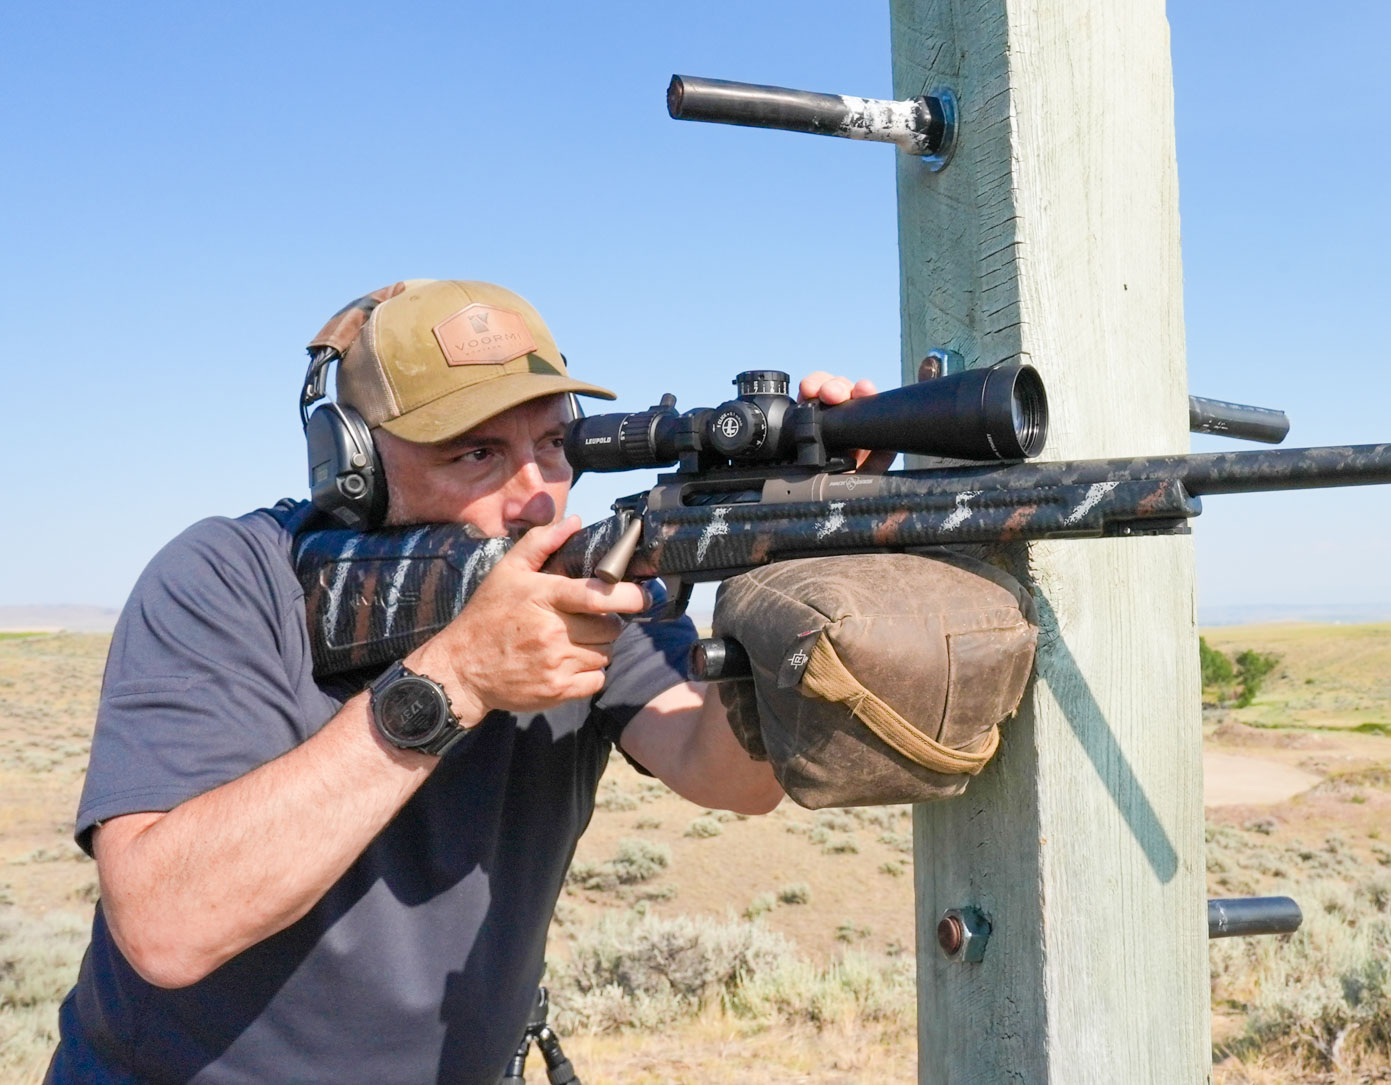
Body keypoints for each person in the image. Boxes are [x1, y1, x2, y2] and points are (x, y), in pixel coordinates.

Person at [46, 279, 878, 1083]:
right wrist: (455, 679)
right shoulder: (228, 577)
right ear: (354, 468)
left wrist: (789, 565)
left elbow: (725, 774)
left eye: (555, 445)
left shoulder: (583, 584)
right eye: (477, 453)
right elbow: (166, 926)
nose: (539, 499)